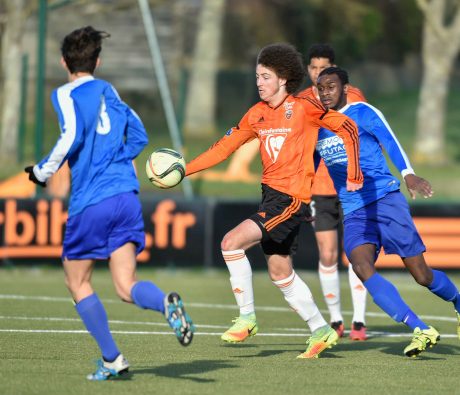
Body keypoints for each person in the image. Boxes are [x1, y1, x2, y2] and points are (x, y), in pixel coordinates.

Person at [24, 26, 194, 380]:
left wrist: (42, 172)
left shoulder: (65, 94)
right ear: (98, 61)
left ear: (63, 62)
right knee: (125, 285)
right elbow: (140, 133)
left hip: (92, 200)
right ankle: (165, 304)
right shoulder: (109, 91)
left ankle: (113, 358)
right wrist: (120, 160)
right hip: (126, 196)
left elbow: (70, 134)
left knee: (77, 281)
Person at [185, 43, 364, 358]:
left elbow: (347, 127)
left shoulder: (305, 108)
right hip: (270, 196)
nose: (259, 83)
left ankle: (247, 318)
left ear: (283, 78)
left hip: (291, 199)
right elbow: (222, 150)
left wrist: (354, 173)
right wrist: (183, 171)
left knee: (231, 243)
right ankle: (321, 330)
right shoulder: (256, 114)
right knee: (280, 271)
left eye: (265, 76)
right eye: (256, 76)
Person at [315, 66, 460, 357]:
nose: (325, 93)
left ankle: (458, 301)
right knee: (360, 265)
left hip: (385, 199)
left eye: (331, 87)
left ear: (345, 88)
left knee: (421, 274)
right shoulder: (319, 125)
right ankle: (420, 329)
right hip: (354, 209)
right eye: (321, 88)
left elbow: (391, 142)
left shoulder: (365, 113)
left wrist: (408, 174)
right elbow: (308, 165)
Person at [298, 44, 368, 341]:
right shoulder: (300, 101)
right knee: (327, 254)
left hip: (351, 186)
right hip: (319, 188)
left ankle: (360, 322)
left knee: (355, 253)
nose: (316, 74)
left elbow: (362, 133)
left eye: (322, 68)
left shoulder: (354, 96)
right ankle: (336, 320)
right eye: (312, 68)